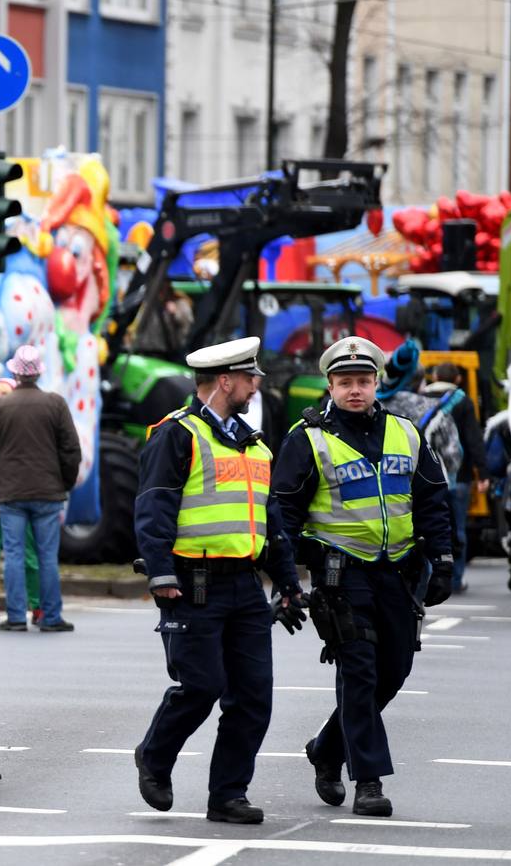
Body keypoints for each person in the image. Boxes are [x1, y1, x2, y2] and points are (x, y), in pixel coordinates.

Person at [271, 336, 454, 818]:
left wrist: (445, 560)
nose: (355, 390)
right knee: (359, 673)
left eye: (364, 381)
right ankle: (368, 782)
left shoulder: (406, 432)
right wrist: (286, 579)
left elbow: (433, 500)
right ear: (329, 385)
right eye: (345, 382)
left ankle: (327, 749)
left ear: (378, 382)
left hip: (397, 574)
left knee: (392, 673)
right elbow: (283, 515)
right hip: (340, 575)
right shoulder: (306, 439)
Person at [132, 337, 304, 825]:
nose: (256, 387)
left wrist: (287, 583)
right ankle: (155, 755)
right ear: (225, 380)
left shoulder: (254, 445)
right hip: (194, 582)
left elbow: (269, 523)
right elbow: (154, 507)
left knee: (253, 696)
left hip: (245, 586)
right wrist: (161, 573)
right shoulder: (177, 434)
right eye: (251, 378)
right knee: (201, 686)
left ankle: (228, 794)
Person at [0, 344, 81, 632]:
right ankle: (50, 617)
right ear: (38, 373)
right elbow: (71, 450)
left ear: (15, 372)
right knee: (47, 556)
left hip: (10, 494)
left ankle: (15, 617)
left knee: (12, 555)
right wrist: (64, 482)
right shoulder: (56, 404)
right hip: (49, 493)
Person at [0, 378, 41, 628]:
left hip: (17, 500)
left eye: (4, 393)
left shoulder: (21, 429)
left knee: (29, 557)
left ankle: (37, 605)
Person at [426, 362, 488, 593]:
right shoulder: (462, 400)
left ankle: (430, 577)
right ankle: (455, 579)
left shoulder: (418, 398)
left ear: (434, 376)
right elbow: (473, 438)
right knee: (457, 528)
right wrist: (482, 473)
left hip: (427, 477)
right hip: (458, 475)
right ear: (458, 379)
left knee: (428, 526)